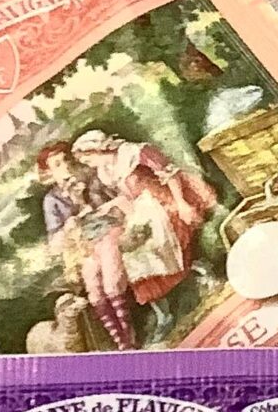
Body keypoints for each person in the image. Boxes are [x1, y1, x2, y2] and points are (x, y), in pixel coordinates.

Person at [74, 131, 217, 313]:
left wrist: (181, 204)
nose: (88, 165)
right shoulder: (106, 172)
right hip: (143, 209)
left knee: (159, 240)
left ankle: (202, 272)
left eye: (87, 159)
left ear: (96, 150)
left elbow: (170, 174)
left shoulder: (135, 152)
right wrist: (110, 206)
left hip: (166, 200)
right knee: (131, 251)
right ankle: (162, 312)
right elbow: (128, 197)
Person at [40, 139, 137, 351]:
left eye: (66, 160)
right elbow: (55, 244)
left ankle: (129, 334)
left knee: (111, 282)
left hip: (108, 231)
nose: (65, 166)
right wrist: (69, 225)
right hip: (85, 246)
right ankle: (120, 341)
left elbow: (118, 202)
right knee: (94, 288)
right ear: (49, 175)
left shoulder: (90, 177)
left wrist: (87, 205)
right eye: (57, 165)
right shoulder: (52, 200)